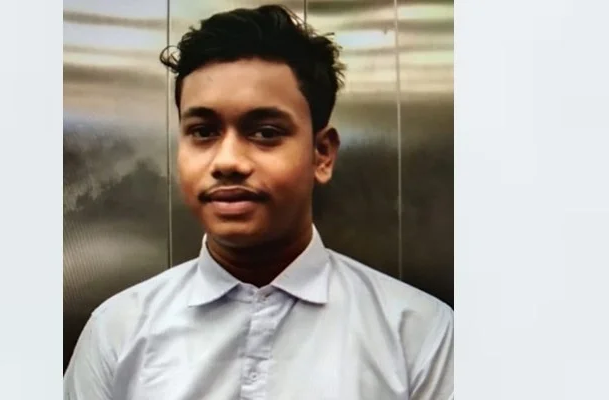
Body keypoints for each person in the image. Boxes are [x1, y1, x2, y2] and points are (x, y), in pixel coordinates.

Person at [64, 4, 453, 400]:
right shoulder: (117, 334)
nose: (228, 161)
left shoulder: (418, 337)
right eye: (203, 131)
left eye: (265, 132)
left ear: (322, 154)